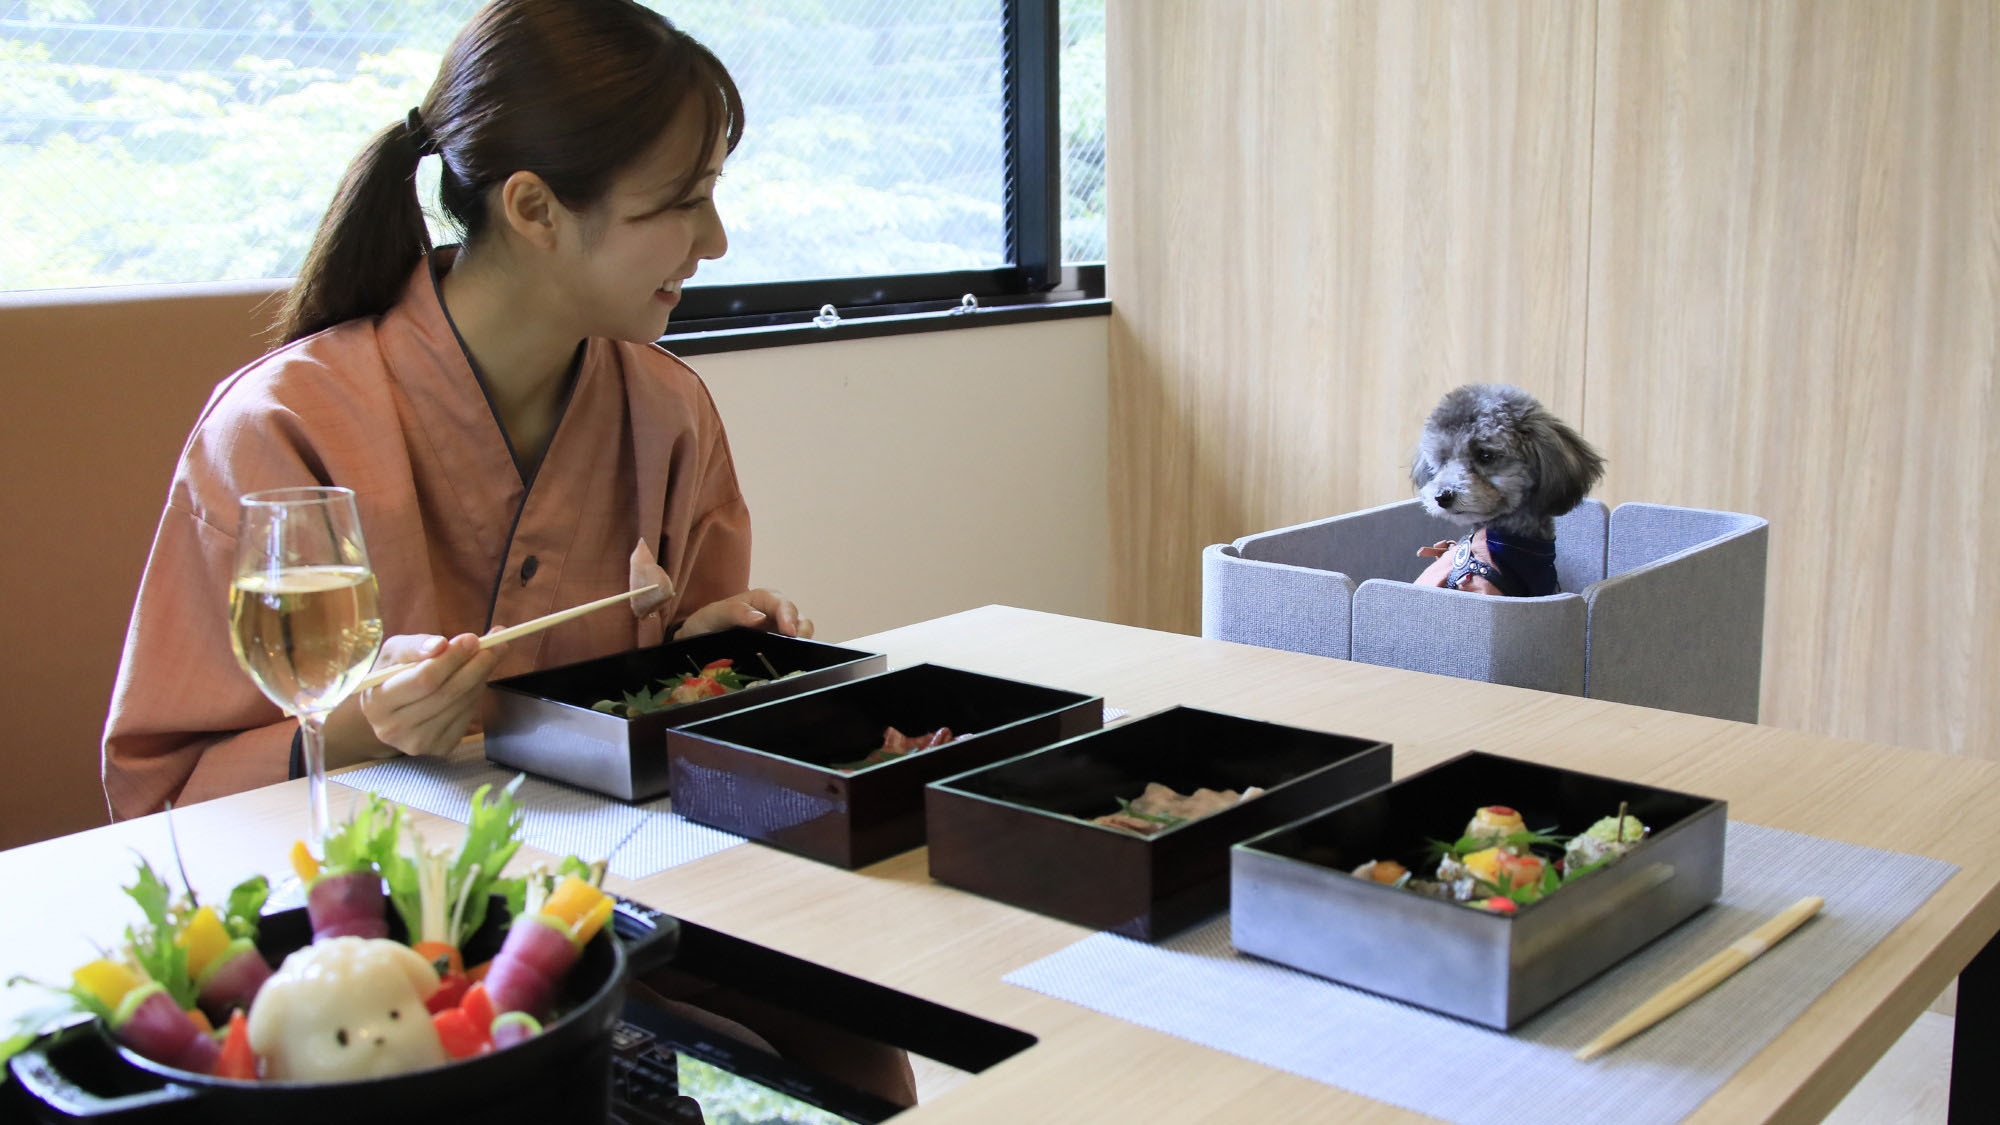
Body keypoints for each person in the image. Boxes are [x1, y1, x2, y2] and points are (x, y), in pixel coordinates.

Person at [103, 0, 812, 822]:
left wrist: (701, 661)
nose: (716, 239)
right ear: (534, 208)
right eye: (682, 202)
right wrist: (364, 721)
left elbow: (671, 758)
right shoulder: (282, 427)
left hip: (619, 901)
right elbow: (163, 798)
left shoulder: (671, 411)